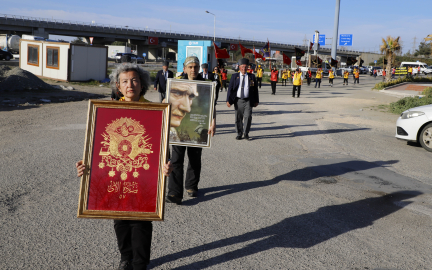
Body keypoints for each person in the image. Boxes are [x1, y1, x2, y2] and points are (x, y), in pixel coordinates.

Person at [76, 63, 173, 270]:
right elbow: (97, 145)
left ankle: (139, 262)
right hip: (116, 178)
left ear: (143, 84)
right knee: (120, 222)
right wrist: (86, 165)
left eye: (135, 80)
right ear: (118, 87)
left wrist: (166, 166)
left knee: (141, 221)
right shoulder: (107, 111)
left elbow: (161, 146)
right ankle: (125, 258)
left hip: (142, 177)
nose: (131, 85)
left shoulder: (155, 112)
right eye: (125, 81)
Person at [167, 56, 216, 205]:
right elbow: (168, 102)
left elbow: (211, 105)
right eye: (190, 67)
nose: (193, 69)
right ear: (184, 68)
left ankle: (191, 186)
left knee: (194, 158)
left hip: (197, 125)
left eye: (195, 67)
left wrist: (213, 121)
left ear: (199, 68)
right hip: (178, 126)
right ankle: (175, 192)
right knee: (176, 159)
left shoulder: (206, 84)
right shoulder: (175, 83)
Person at [226, 58, 259, 140]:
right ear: (239, 67)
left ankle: (246, 133)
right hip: (238, 100)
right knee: (238, 118)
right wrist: (228, 100)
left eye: (245, 67)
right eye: (242, 66)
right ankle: (239, 133)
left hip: (248, 100)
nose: (244, 68)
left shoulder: (251, 76)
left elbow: (255, 89)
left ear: (247, 67)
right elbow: (230, 89)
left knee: (248, 117)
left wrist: (256, 100)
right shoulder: (234, 76)